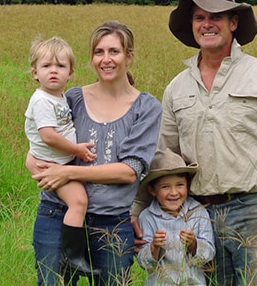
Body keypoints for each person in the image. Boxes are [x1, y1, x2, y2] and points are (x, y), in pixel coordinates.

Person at [132, 0, 257, 286]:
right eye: (199, 18)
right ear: (191, 26)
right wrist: (138, 210)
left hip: (254, 210)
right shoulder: (177, 88)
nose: (207, 24)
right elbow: (162, 156)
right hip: (198, 215)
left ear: (234, 22)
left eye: (216, 17)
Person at [27, 21, 162, 286]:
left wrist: (67, 171)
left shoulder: (146, 107)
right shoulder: (73, 97)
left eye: (114, 51)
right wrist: (31, 159)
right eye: (99, 52)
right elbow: (44, 139)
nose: (106, 59)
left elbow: (129, 171)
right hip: (57, 214)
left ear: (129, 56)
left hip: (111, 223)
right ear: (91, 58)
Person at [24, 36, 98, 276]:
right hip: (53, 165)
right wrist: (77, 150)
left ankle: (72, 254)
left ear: (71, 73)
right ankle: (72, 256)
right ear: (35, 73)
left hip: (57, 162)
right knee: (79, 202)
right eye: (46, 66)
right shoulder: (43, 101)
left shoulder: (59, 97)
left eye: (60, 66)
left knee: (78, 202)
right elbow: (48, 136)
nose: (53, 71)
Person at [137, 148, 215, 286]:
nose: (173, 192)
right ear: (152, 190)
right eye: (165, 187)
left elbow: (209, 253)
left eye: (180, 185)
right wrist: (154, 247)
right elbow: (144, 262)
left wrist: (193, 244)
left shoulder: (198, 212)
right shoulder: (147, 217)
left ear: (188, 185)